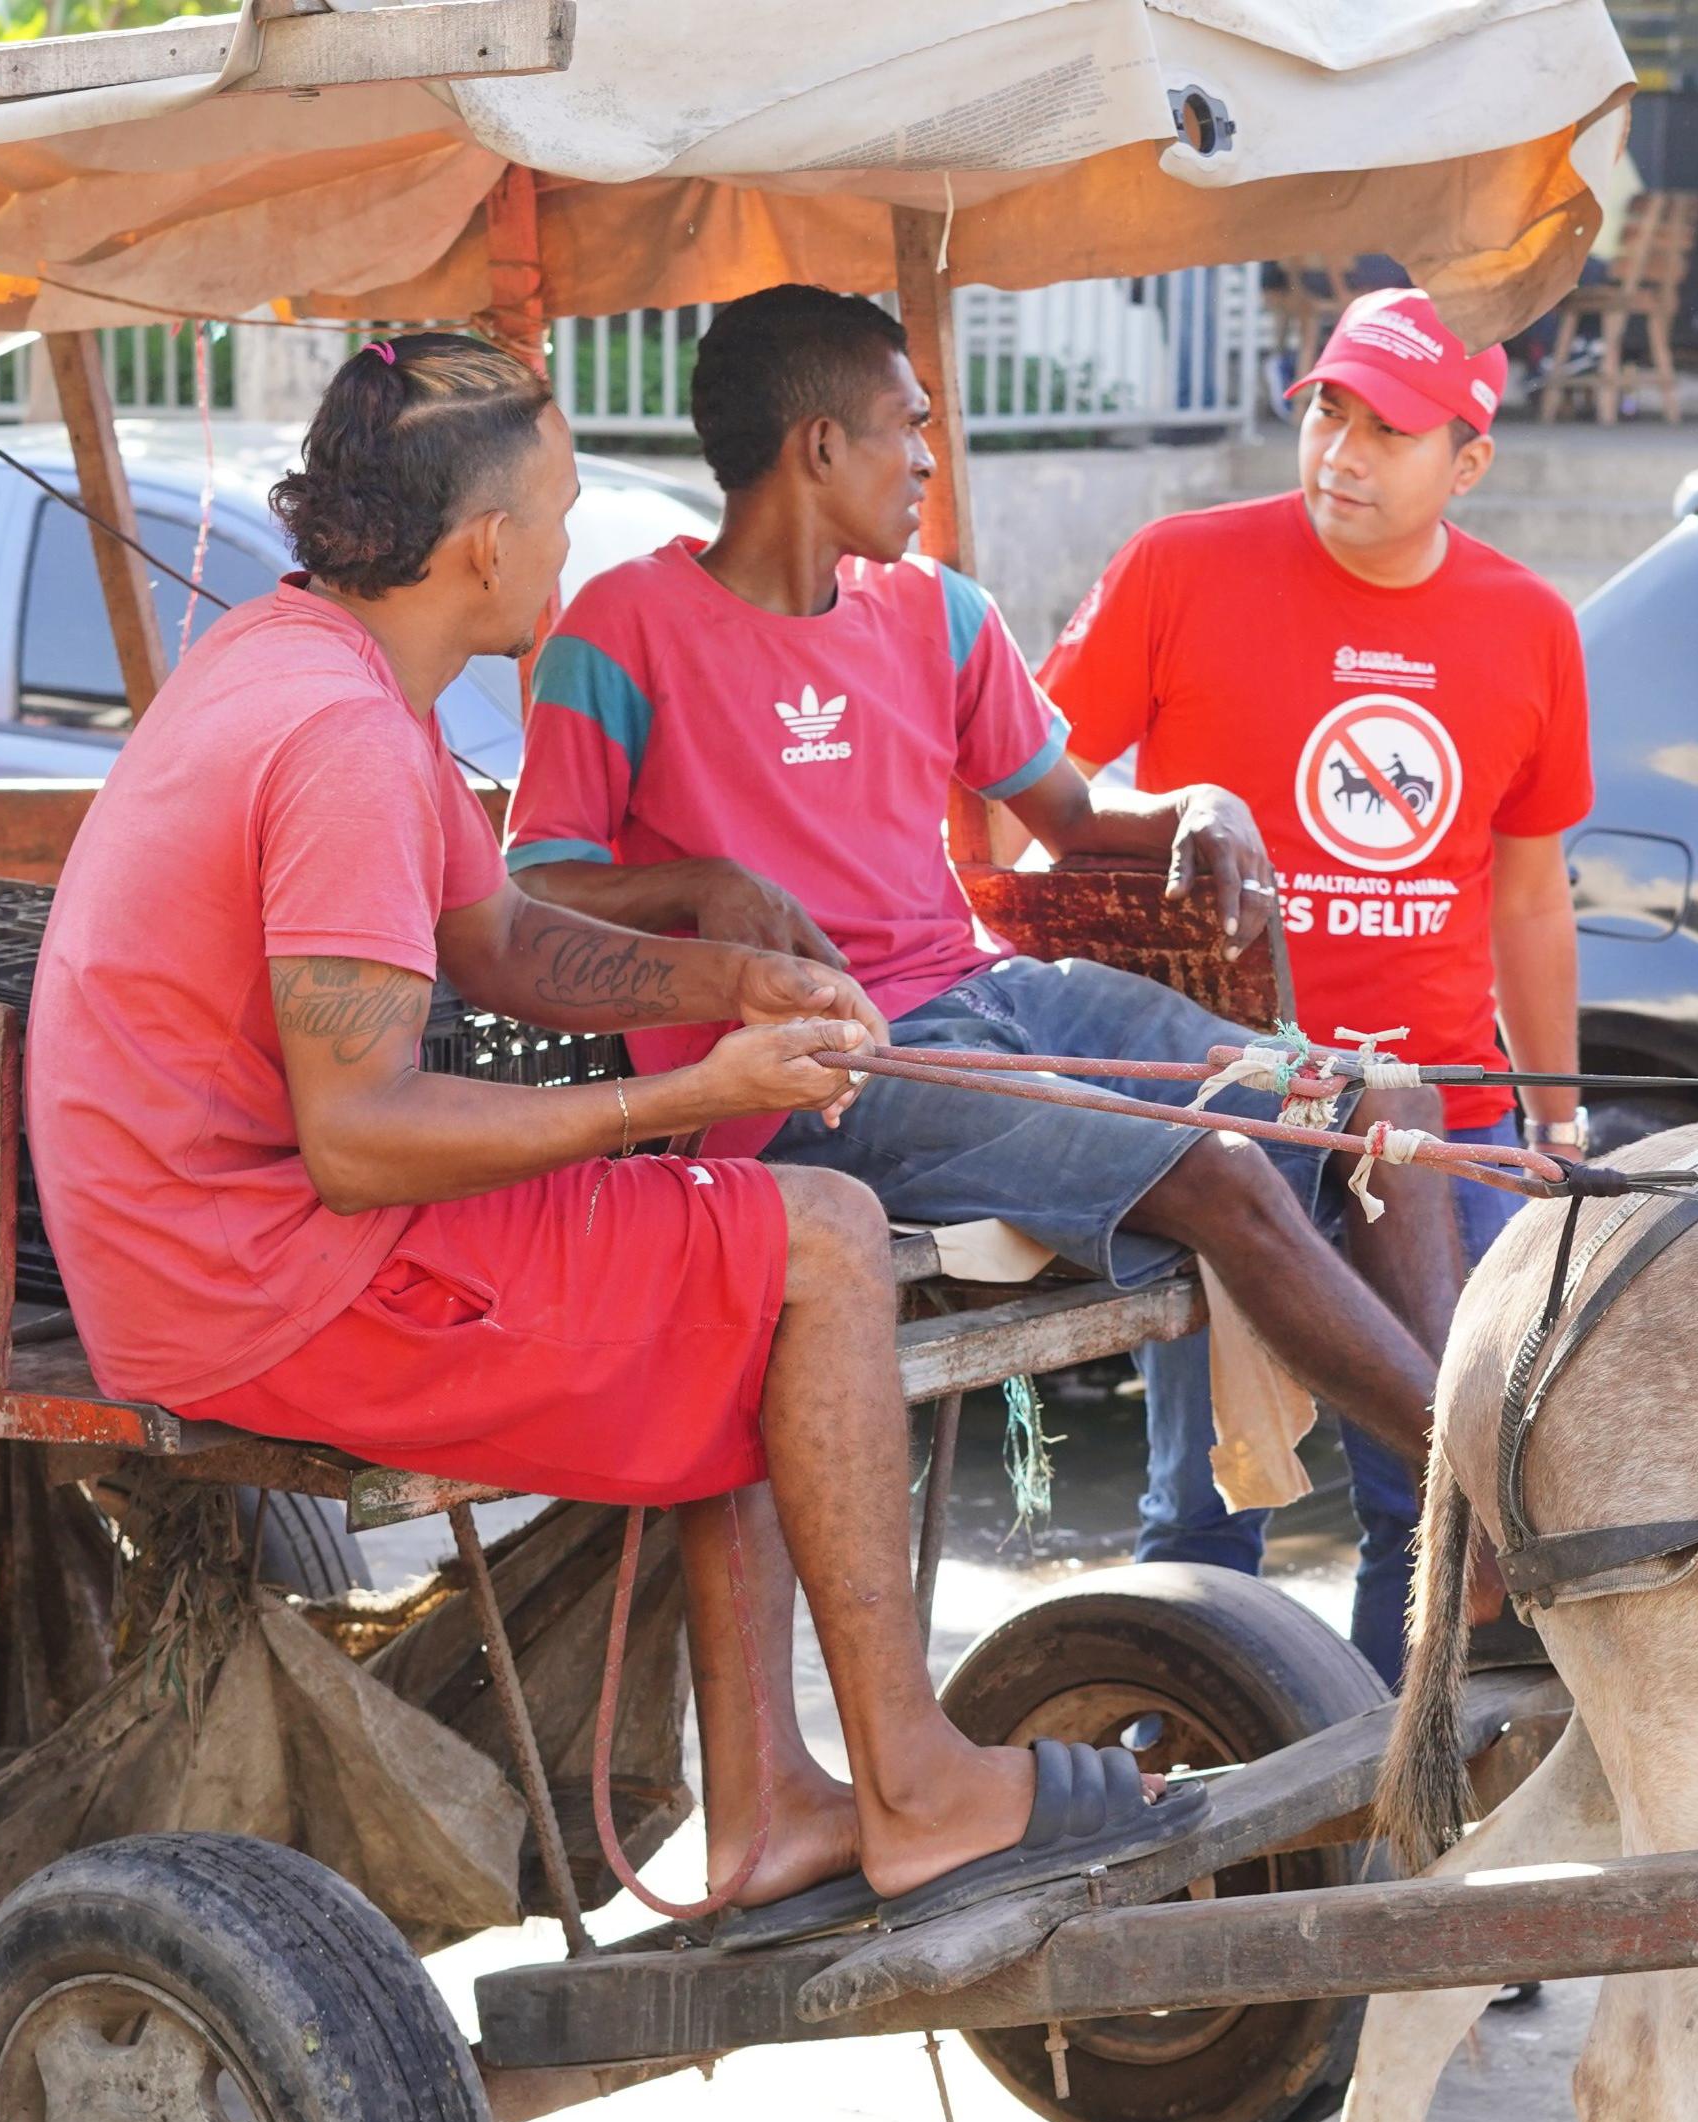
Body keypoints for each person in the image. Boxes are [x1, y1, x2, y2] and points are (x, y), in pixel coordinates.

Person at [28, 336, 1184, 1949]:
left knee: (743, 1241)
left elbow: (494, 935)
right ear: (482, 547)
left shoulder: (312, 659)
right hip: (259, 1281)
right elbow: (359, 1136)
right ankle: (907, 1780)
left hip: (224, 1243)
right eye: (563, 518)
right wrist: (675, 1098)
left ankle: (776, 1801)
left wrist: (720, 978)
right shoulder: (344, 738)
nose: (574, 553)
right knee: (821, 1235)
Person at [504, 287, 1462, 1534]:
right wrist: (698, 883)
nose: (924, 458)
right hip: (813, 1080)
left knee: (1387, 1105)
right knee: (1221, 1176)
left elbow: (1074, 818)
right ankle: (1487, 1499)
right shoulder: (621, 627)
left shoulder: (939, 614)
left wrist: (1202, 807)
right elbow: (533, 887)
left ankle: (1467, 1499)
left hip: (992, 1004)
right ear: (820, 448)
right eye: (907, 426)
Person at [1035, 286, 1590, 1686]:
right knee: (1206, 1503)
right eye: (1328, 411)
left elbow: (1525, 892)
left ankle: (1371, 1816)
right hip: (1228, 1121)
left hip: (1442, 1123)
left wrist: (1559, 1111)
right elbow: (1028, 790)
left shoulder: (1527, 624)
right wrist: (1169, 810)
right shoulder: (1178, 565)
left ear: (1465, 460)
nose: (1340, 451)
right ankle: (1184, 1787)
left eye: (1387, 429)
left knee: (1429, 1498)